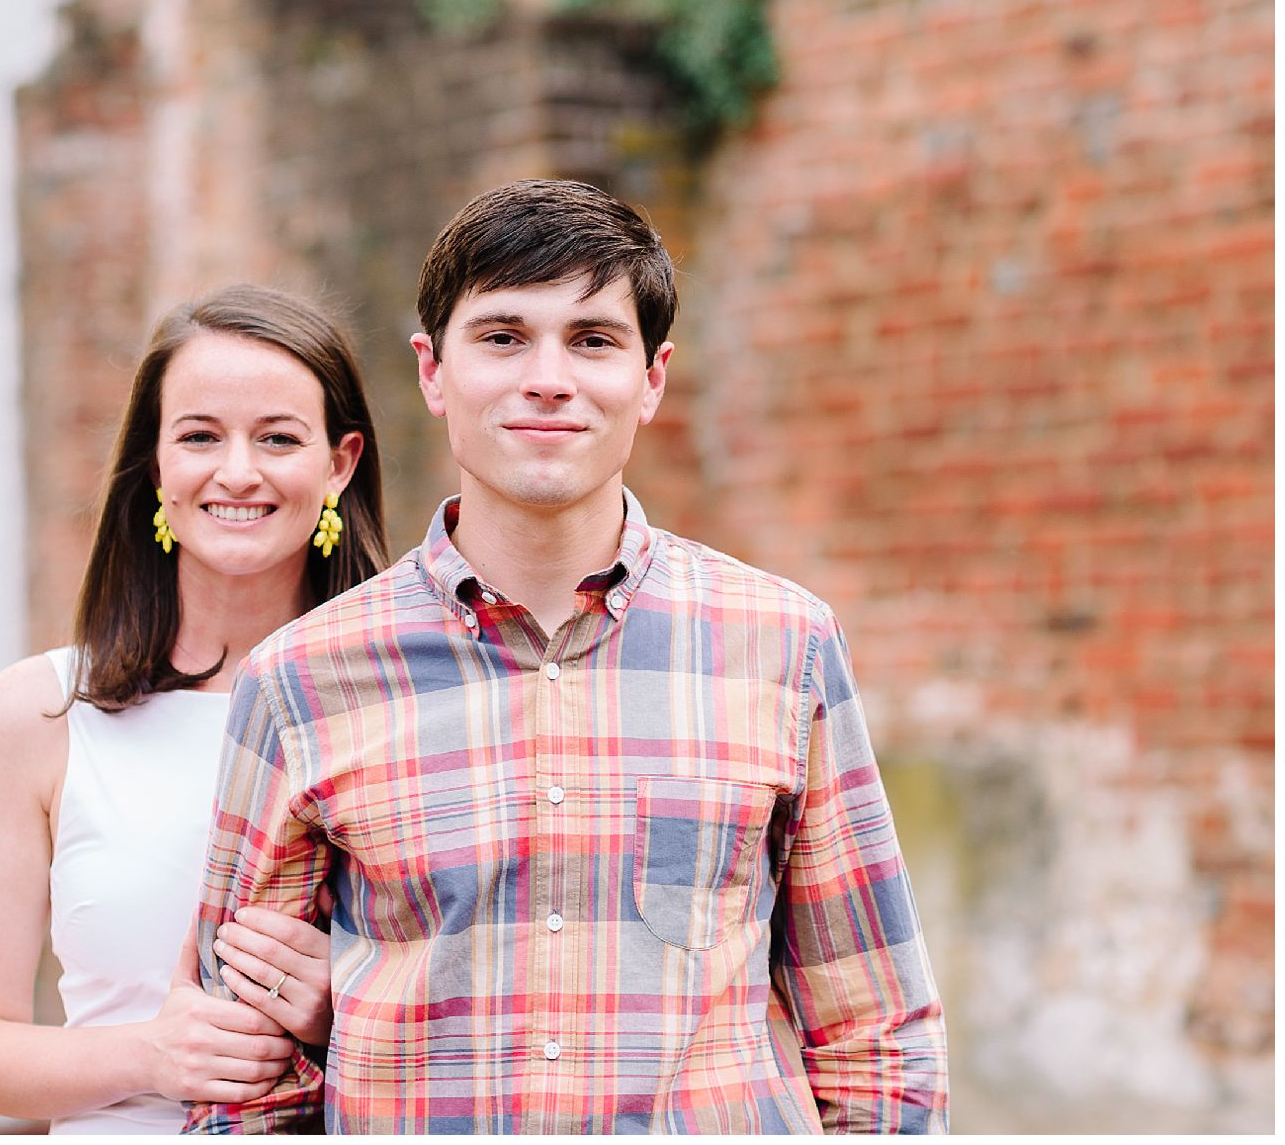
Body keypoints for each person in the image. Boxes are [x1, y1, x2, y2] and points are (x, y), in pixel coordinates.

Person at [186, 181, 948, 1134]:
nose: (549, 377)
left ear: (653, 377)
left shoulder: (782, 645)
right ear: (432, 370)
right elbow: (242, 1076)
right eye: (503, 336)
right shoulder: (301, 678)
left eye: (592, 339)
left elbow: (874, 1030)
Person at [0, 285, 388, 1133]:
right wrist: (148, 1053)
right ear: (154, 464)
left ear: (340, 463)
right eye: (201, 436)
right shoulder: (39, 714)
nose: (239, 471)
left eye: (279, 437)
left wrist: (352, 1006)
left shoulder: (407, 706)